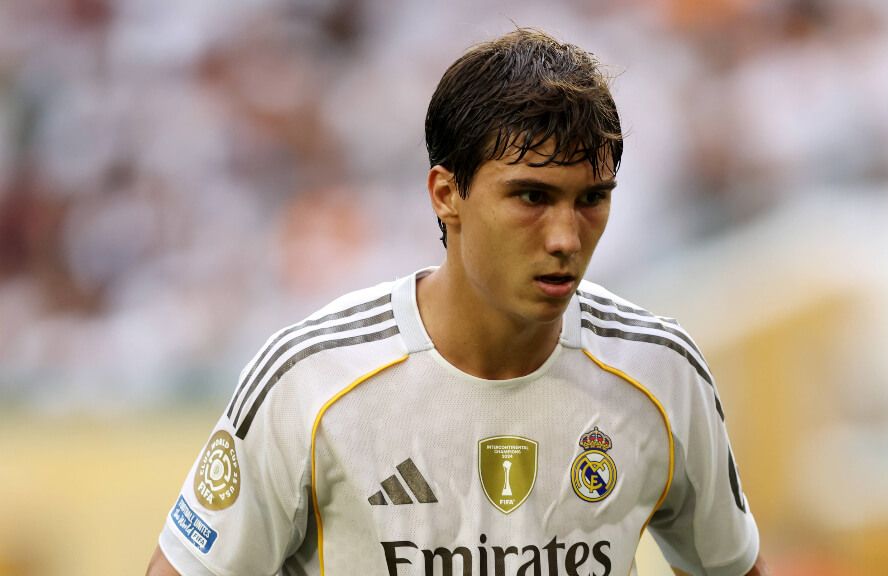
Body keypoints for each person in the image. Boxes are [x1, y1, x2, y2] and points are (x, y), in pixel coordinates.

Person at [147, 28, 768, 576]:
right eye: (531, 196)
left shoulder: (661, 371)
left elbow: (728, 566)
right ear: (447, 194)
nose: (565, 238)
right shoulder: (310, 380)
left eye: (590, 199)